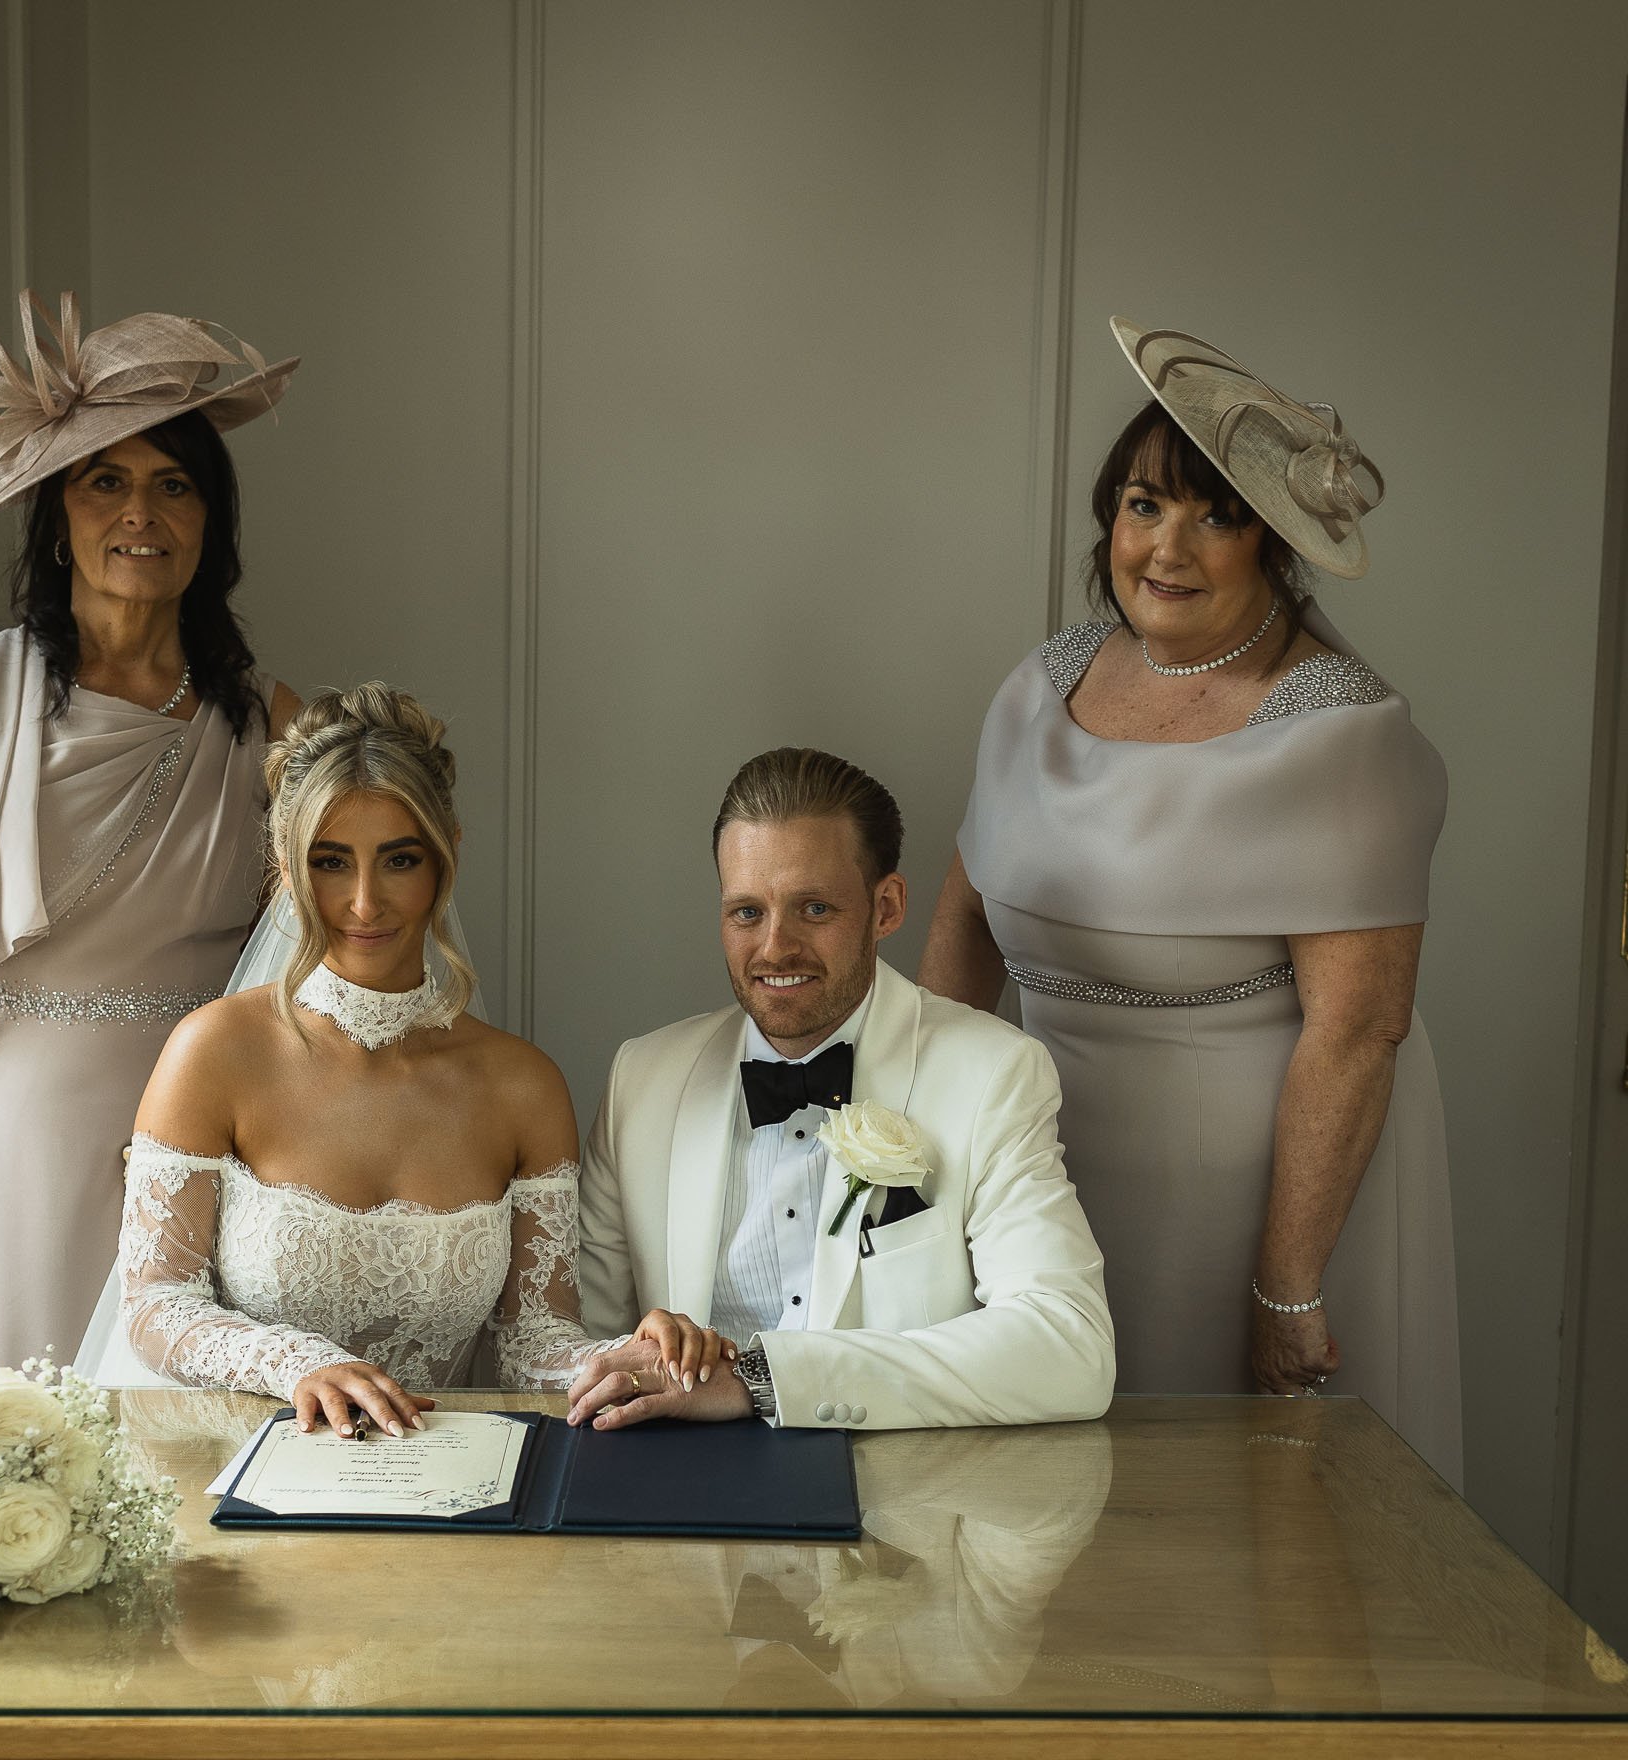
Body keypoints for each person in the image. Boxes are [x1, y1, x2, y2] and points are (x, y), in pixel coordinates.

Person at [917, 318, 1460, 1483]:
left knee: (1232, 1537)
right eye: (1142, 505)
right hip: (1042, 1176)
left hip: (1250, 1212)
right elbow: (964, 926)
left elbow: (1360, 1026)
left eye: (1217, 514)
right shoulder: (1041, 683)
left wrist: (1285, 1282)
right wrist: (919, 1148)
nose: (1167, 546)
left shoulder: (1342, 732)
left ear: (1276, 542)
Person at [0, 292, 304, 1384]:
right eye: (106, 480)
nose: (139, 512)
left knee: (175, 1491)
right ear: (57, 514)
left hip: (196, 1157)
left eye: (173, 483)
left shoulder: (274, 727)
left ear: (209, 523)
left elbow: (317, 976)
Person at [84, 683, 724, 1437]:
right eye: (330, 861)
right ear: (287, 869)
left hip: (435, 1476)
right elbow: (156, 1304)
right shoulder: (213, 1052)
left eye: (398, 859)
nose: (364, 902)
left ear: (446, 852)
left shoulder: (523, 1086)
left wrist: (636, 1357)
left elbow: (532, 1346)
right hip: (231, 1458)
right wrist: (296, 1366)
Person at [567, 746, 1115, 1431]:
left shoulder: (993, 1074)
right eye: (746, 913)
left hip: (903, 1510)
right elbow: (571, 1337)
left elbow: (1069, 1348)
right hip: (677, 1499)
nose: (774, 948)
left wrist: (761, 1380)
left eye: (814, 908)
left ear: (886, 908)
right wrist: (633, 1355)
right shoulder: (643, 1080)